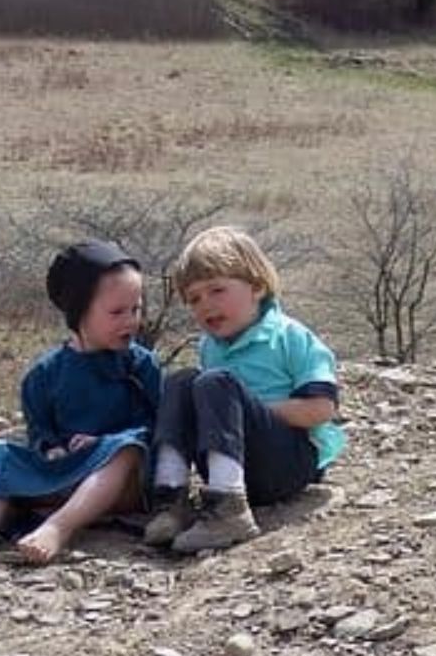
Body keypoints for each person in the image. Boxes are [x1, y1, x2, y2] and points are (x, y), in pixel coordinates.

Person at [0, 240, 161, 565]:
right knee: (0, 455)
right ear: (80, 311)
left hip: (121, 482)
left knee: (127, 448)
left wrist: (104, 443)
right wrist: (52, 448)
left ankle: (57, 528)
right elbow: (40, 429)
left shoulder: (141, 365)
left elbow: (160, 425)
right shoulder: (44, 374)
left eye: (135, 309)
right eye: (116, 312)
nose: (130, 321)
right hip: (63, 472)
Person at [144, 225, 345, 553]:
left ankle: (229, 510)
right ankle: (171, 497)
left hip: (285, 464)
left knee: (214, 384)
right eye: (194, 299)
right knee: (182, 381)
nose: (205, 305)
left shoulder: (289, 337)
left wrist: (244, 410)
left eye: (216, 290)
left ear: (256, 286)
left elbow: (321, 408)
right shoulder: (210, 347)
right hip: (233, 461)